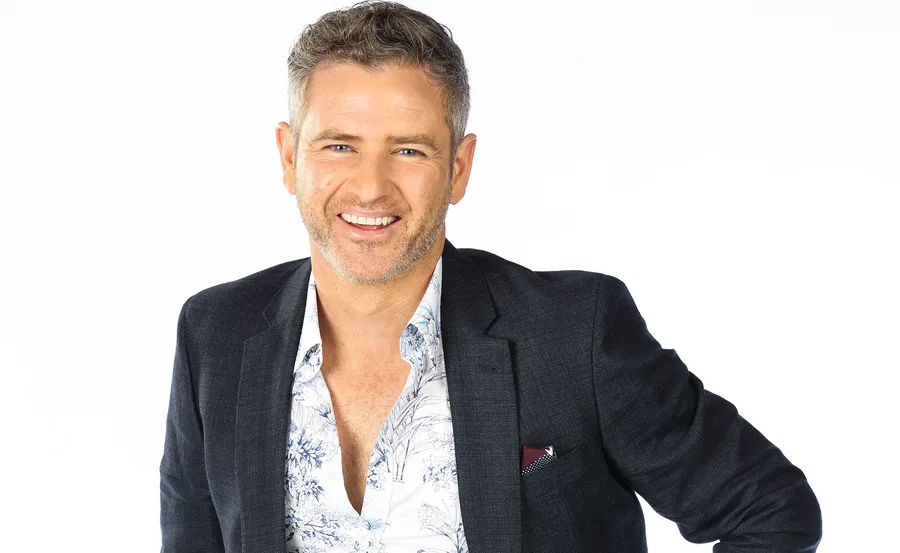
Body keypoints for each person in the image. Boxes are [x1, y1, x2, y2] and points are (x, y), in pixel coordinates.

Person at [158, 2, 822, 552]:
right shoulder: (216, 334)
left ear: (459, 167)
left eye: (409, 150)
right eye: (339, 145)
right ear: (287, 156)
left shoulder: (572, 333)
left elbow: (769, 510)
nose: (370, 185)